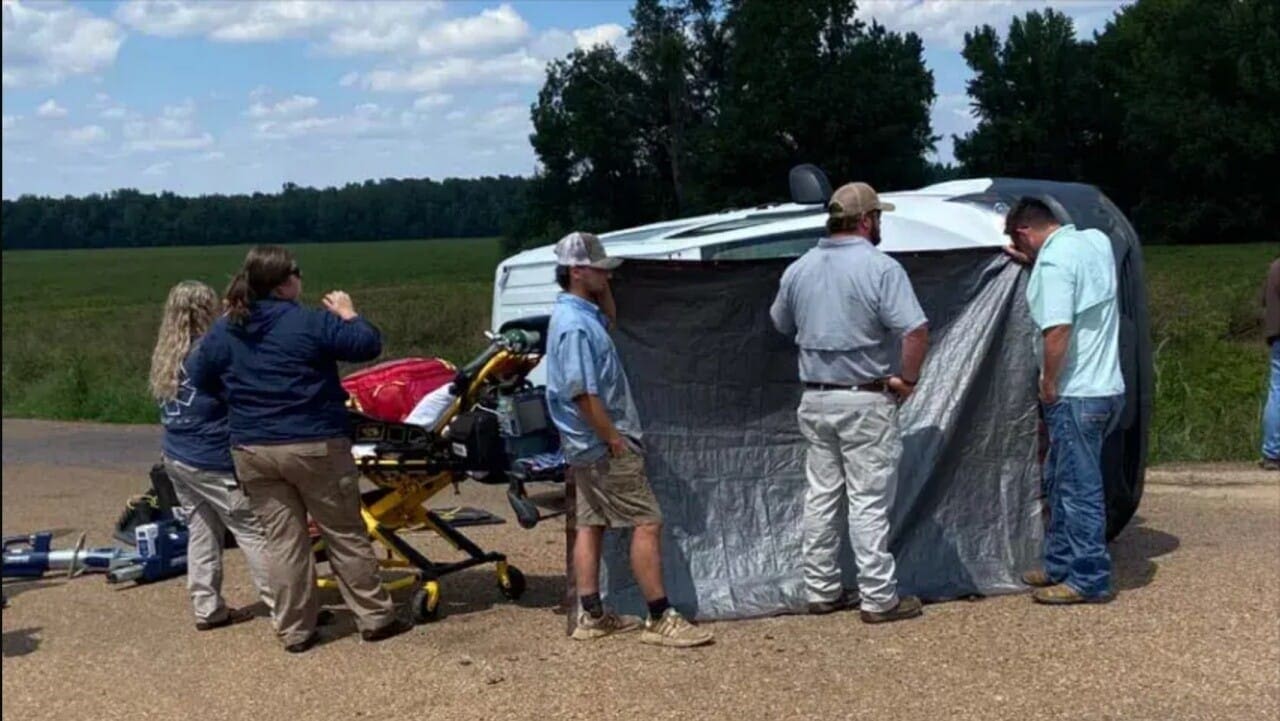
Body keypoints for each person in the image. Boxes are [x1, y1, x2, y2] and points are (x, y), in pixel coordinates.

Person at [187, 246, 410, 653]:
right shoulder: (310, 322)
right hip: (314, 443)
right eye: (297, 273)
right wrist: (348, 313)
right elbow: (367, 345)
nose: (300, 279)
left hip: (253, 449)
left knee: (284, 542)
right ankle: (375, 617)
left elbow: (198, 376)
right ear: (283, 283)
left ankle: (294, 629)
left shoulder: (226, 328)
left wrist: (239, 397)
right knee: (343, 532)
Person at [769, 182, 929, 624]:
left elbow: (779, 323)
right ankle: (878, 598)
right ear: (865, 220)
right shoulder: (881, 268)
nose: (880, 225)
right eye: (878, 217)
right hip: (865, 398)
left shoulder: (798, 269)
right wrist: (908, 380)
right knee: (868, 500)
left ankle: (821, 589)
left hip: (815, 397)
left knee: (821, 495)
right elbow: (915, 331)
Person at [545, 231, 713, 648]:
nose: (608, 276)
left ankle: (592, 616)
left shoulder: (578, 315)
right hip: (602, 445)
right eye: (600, 269)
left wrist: (601, 290)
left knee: (591, 523)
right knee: (647, 522)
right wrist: (614, 439)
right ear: (577, 271)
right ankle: (659, 617)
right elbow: (583, 393)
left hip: (586, 446)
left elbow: (611, 319)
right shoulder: (575, 327)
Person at [1003, 197, 1125, 605]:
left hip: (1075, 392)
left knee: (1078, 489)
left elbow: (1057, 330)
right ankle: (1058, 563)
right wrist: (1032, 259)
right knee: (1059, 479)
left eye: (1018, 241)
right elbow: (1078, 275)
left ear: (1024, 232)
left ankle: (1088, 578)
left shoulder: (1054, 264)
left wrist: (1048, 381)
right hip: (1106, 388)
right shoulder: (1095, 242)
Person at [149, 280, 275, 631]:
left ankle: (207, 607)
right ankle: (286, 606)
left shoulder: (166, 354)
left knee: (202, 529)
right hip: (213, 458)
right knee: (252, 530)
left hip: (176, 454)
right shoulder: (209, 351)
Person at [1261, 256, 1280, 471]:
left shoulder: (1274, 266)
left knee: (1277, 392)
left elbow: (1263, 300)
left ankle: (1272, 453)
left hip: (1276, 336)